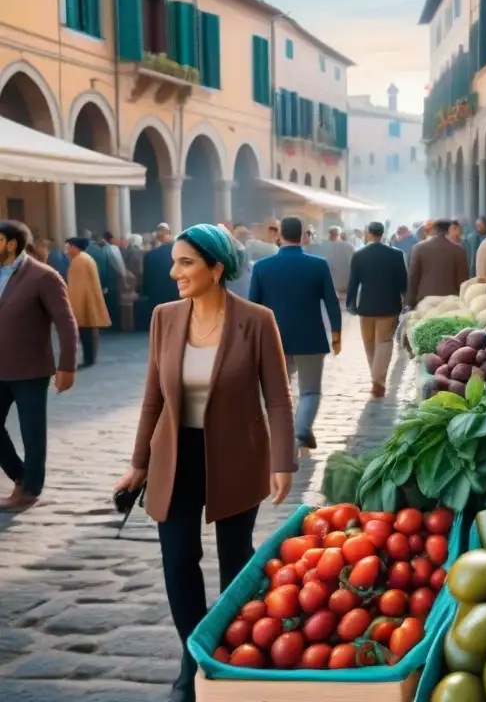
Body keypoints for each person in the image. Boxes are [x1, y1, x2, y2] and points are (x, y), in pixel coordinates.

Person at [113, 223, 295, 702]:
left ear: (217, 269)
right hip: (174, 456)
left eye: (186, 262)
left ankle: (233, 651)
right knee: (178, 561)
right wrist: (138, 464)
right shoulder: (164, 318)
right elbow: (153, 399)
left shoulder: (256, 320)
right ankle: (192, 658)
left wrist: (283, 460)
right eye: (174, 261)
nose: (175, 272)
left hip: (237, 455)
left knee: (236, 563)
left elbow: (277, 397)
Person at [0, 221, 78, 512]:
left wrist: (67, 366)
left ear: (11, 244)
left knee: (32, 433)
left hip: (30, 370)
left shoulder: (43, 276)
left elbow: (66, 323)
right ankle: (21, 475)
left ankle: (30, 489)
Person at [249, 217, 342, 452]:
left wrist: (252, 340)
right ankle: (302, 428)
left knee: (279, 390)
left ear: (279, 235)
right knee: (310, 390)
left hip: (274, 339)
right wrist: (336, 333)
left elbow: (253, 307)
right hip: (310, 337)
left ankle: (281, 434)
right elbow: (332, 302)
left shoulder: (262, 267)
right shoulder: (318, 265)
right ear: (302, 236)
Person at [347, 222, 407, 397]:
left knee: (369, 342)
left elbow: (353, 282)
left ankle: (376, 378)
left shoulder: (359, 255)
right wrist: (406, 300)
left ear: (368, 233)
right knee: (384, 342)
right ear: (383, 234)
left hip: (366, 306)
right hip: (389, 306)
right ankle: (378, 378)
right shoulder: (395, 255)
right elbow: (403, 283)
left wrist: (351, 304)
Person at [65, 237, 111, 367]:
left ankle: (89, 359)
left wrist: (73, 307)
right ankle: (89, 358)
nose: (66, 251)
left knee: (86, 334)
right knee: (88, 334)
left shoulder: (80, 261)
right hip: (86, 301)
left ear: (74, 247)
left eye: (68, 247)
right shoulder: (83, 259)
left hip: (83, 303)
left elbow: (77, 288)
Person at [407, 218, 469, 307]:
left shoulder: (418, 248)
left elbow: (413, 277)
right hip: (449, 301)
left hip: (424, 301)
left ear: (434, 230)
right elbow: (463, 280)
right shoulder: (458, 250)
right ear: (448, 229)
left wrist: (411, 302)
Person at [314, 226, 356, 304]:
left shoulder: (322, 246)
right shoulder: (349, 247)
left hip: (328, 286)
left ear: (329, 234)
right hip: (345, 285)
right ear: (339, 234)